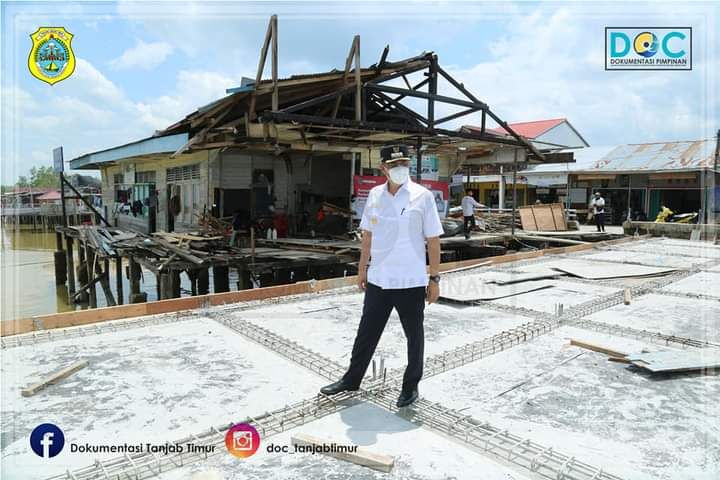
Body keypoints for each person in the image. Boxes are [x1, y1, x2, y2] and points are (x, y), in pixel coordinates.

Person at [319, 144, 444, 408]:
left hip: (410, 282)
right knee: (366, 333)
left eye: (405, 164)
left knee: (414, 337)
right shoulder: (375, 196)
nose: (401, 169)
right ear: (383, 168)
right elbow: (367, 236)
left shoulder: (422, 196)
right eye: (395, 165)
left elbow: (433, 241)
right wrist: (362, 269)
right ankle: (351, 379)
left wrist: (434, 279)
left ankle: (410, 387)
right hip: (379, 280)